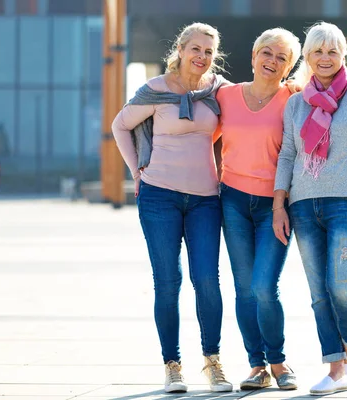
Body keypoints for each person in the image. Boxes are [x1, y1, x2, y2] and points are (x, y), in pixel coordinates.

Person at [215, 27, 347, 391]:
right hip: (233, 200)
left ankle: (279, 362)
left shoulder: (298, 98)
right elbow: (193, 129)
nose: (272, 61)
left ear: (290, 66)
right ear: (253, 56)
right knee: (244, 289)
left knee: (264, 287)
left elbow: (332, 129)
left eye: (282, 57)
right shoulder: (225, 96)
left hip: (277, 202)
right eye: (266, 53)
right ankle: (258, 367)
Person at [111, 22, 232, 394]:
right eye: (196, 48)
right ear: (180, 49)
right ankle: (172, 366)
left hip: (205, 200)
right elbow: (120, 125)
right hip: (159, 195)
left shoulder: (220, 92)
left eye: (209, 52)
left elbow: (252, 112)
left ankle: (213, 362)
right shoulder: (156, 90)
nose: (202, 56)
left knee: (207, 280)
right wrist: (137, 173)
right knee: (168, 282)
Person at [272, 22, 347, 395]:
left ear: (342, 55)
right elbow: (288, 153)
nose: (325, 58)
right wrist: (280, 202)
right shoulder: (295, 103)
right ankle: (336, 369)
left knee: (339, 284)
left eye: (332, 51)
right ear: (307, 56)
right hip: (303, 203)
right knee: (318, 291)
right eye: (318, 52)